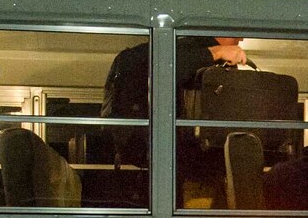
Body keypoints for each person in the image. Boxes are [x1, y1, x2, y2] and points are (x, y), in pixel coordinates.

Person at [101, 36, 249, 166]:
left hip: (191, 157)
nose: (241, 38)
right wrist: (217, 52)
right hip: (173, 154)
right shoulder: (184, 49)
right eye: (237, 31)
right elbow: (164, 72)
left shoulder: (215, 60)